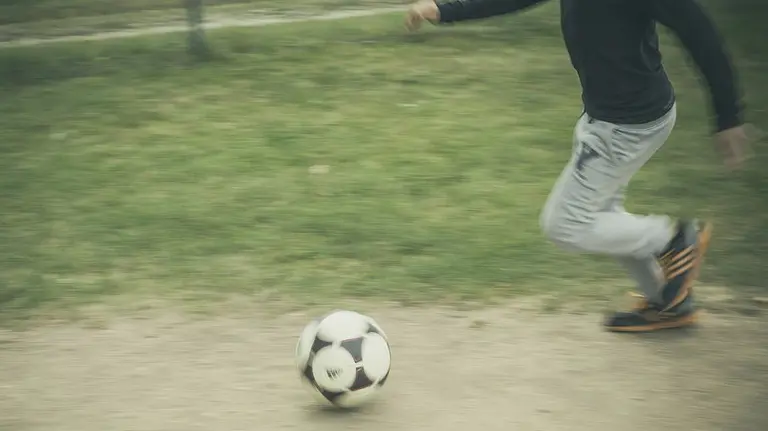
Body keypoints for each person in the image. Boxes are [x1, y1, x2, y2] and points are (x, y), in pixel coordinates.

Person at [404, 0, 753, 332]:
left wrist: (728, 115)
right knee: (602, 213)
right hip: (610, 117)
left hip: (628, 125)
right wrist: (443, 10)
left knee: (565, 225)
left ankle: (675, 240)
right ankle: (667, 300)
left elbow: (700, 33)